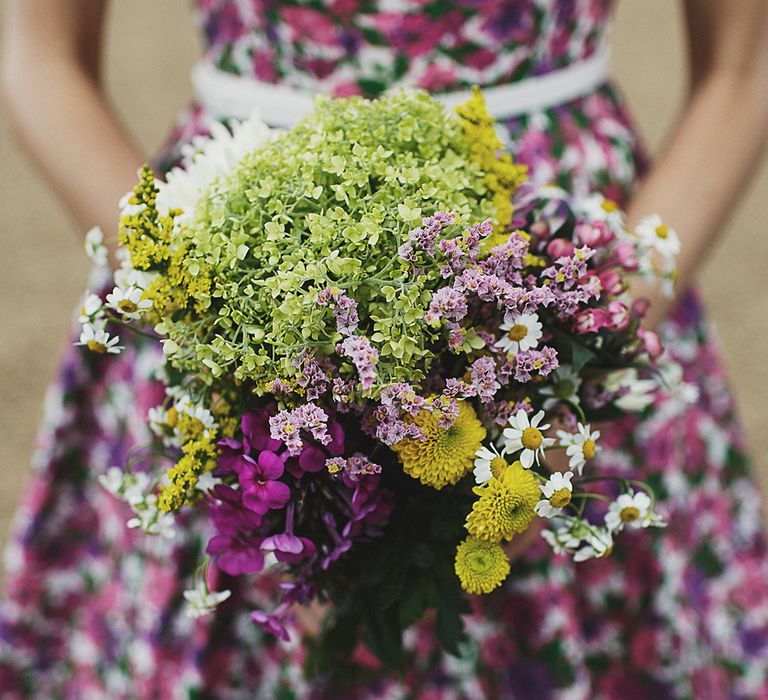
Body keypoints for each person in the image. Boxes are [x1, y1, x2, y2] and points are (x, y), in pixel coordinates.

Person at [2, 1, 768, 697]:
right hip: (224, 261)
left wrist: (583, 338)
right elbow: (42, 55)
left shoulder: (581, 313)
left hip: (566, 272)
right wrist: (202, 316)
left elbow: (741, 67)